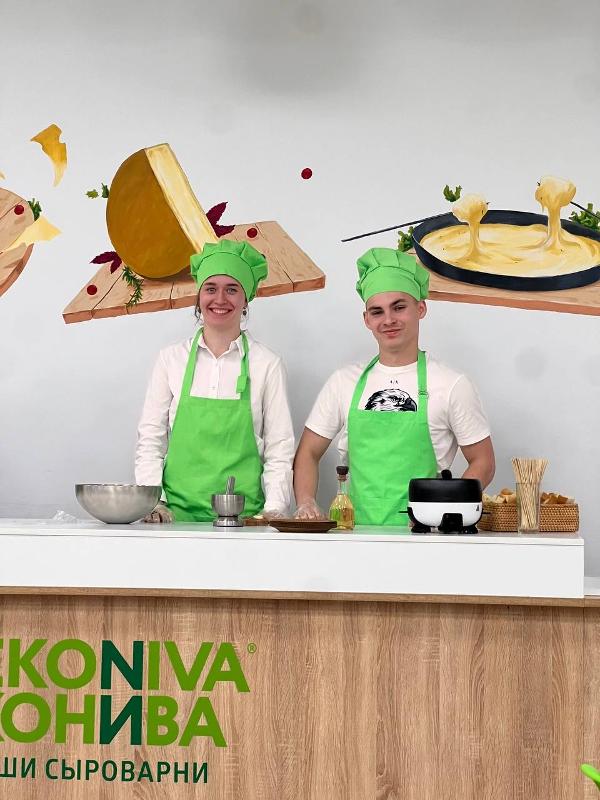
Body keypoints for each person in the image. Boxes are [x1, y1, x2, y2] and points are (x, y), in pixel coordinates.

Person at [293, 247, 495, 525]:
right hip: (354, 534)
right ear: (367, 320)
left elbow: (484, 461)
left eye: (399, 307)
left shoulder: (452, 384)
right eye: (377, 312)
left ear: (421, 308)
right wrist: (305, 501)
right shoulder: (343, 382)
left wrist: (445, 507)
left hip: (424, 537)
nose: (388, 320)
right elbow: (308, 452)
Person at [136, 239, 294, 522]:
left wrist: (274, 509)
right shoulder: (171, 359)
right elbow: (151, 439)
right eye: (210, 288)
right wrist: (154, 503)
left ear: (246, 300)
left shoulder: (267, 364)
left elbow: (279, 447)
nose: (220, 299)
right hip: (174, 518)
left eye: (232, 289)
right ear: (199, 296)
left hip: (244, 521)